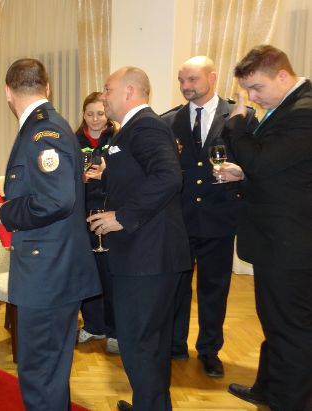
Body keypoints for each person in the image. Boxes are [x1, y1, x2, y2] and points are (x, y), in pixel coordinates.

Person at [0, 58, 101, 411]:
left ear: (7, 91)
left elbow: (56, 200)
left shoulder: (42, 131)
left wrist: (4, 212)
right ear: (47, 87)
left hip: (48, 271)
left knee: (40, 371)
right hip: (53, 266)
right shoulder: (44, 126)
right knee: (49, 369)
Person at [88, 67, 190, 411]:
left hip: (148, 256)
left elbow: (168, 177)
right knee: (149, 342)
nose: (103, 96)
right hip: (146, 254)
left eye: (108, 89)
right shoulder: (131, 130)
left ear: (129, 91)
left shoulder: (145, 126)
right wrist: (107, 176)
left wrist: (121, 217)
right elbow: (142, 178)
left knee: (138, 342)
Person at [220, 44, 312, 411]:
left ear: (283, 76)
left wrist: (238, 123)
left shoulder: (304, 112)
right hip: (278, 239)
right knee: (275, 322)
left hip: (290, 243)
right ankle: (268, 388)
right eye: (247, 91)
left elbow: (260, 160)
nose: (252, 97)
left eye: (256, 88)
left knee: (290, 331)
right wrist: (244, 174)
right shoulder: (288, 108)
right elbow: (284, 171)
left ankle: (290, 402)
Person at [161, 56, 258, 378]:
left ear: (212, 77)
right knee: (177, 287)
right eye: (182, 80)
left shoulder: (240, 116)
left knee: (214, 289)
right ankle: (175, 344)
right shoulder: (169, 120)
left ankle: (209, 350)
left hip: (219, 219)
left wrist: (240, 171)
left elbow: (256, 164)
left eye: (193, 79)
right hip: (181, 219)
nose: (186, 86)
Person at [75, 91, 118, 354]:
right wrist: (77, 178)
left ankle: (115, 330)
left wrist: (107, 174)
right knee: (87, 273)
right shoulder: (73, 140)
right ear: (83, 115)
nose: (95, 119)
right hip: (82, 213)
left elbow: (128, 175)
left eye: (100, 113)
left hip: (111, 214)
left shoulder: (118, 138)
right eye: (89, 114)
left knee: (111, 276)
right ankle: (93, 325)